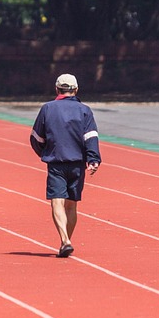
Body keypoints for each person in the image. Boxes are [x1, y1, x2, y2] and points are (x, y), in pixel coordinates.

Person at [29, 73, 101, 258]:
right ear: (76, 90)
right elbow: (91, 136)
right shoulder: (85, 110)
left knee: (56, 201)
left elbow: (36, 137)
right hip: (77, 164)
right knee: (71, 205)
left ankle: (65, 240)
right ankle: (66, 241)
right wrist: (93, 159)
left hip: (56, 162)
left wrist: (45, 152)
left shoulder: (47, 109)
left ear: (57, 89)